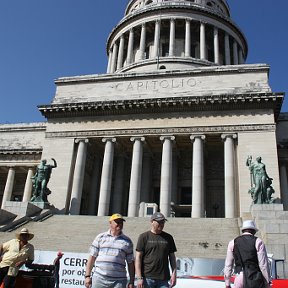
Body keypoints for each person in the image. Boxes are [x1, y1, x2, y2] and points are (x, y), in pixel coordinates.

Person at [85, 213, 135, 288]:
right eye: (117, 222)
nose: (119, 224)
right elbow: (92, 258)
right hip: (99, 278)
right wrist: (87, 276)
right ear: (110, 223)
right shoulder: (100, 237)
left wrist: (131, 281)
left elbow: (130, 263)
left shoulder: (127, 241)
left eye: (121, 222)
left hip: (119, 281)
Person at [135, 212, 177, 288]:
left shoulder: (169, 237)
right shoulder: (144, 237)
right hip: (147, 278)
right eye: (159, 222)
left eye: (163, 222)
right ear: (152, 222)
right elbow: (138, 258)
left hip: (163, 279)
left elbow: (172, 257)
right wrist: (139, 277)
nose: (161, 224)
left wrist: (174, 274)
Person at [224, 220, 271, 288]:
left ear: (243, 231)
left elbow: (228, 265)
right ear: (253, 231)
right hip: (254, 278)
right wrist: (267, 282)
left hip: (239, 277)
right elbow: (263, 265)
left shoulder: (232, 242)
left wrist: (227, 283)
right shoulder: (258, 241)